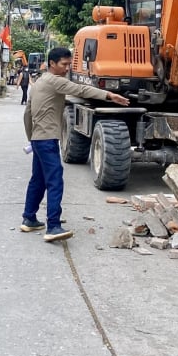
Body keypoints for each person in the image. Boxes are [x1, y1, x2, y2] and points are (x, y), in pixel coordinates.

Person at [22, 47, 130, 242]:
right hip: (46, 139)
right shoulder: (55, 81)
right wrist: (109, 95)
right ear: (52, 64)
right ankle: (53, 226)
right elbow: (80, 89)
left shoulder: (39, 82)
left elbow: (27, 113)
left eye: (68, 65)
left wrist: (32, 137)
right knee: (55, 180)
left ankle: (29, 218)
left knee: (38, 179)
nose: (66, 69)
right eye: (63, 65)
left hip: (39, 138)